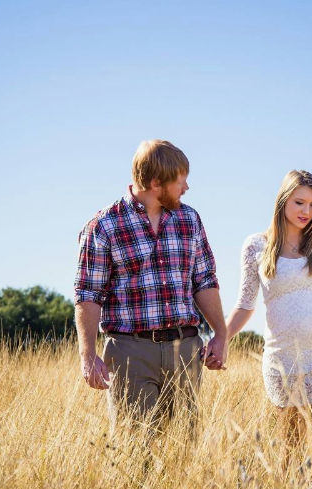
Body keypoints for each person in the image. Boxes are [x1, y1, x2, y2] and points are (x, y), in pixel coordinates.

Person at [73, 139, 228, 432]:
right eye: (181, 181)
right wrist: (88, 356)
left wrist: (221, 334)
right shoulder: (104, 225)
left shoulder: (189, 219)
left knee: (184, 450)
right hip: (131, 351)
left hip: (185, 349)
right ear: (156, 183)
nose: (186, 188)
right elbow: (88, 295)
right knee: (135, 451)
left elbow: (205, 281)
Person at [226, 170, 312, 444]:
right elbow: (245, 304)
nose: (307, 211)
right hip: (283, 361)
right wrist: (221, 339)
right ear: (283, 200)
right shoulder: (256, 246)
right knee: (291, 450)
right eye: (299, 202)